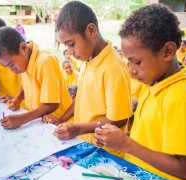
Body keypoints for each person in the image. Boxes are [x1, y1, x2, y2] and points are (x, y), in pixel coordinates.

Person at [95, 4, 186, 180]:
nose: (131, 70)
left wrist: (126, 144)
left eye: (137, 62)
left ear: (167, 52)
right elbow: (154, 136)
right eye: (128, 61)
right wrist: (122, 136)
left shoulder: (181, 96)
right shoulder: (154, 84)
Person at [46, 1, 132, 157]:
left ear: (91, 30)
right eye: (66, 46)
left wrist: (78, 128)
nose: (70, 52)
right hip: (84, 141)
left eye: (71, 44)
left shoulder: (113, 67)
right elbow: (82, 97)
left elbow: (118, 119)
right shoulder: (87, 59)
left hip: (104, 152)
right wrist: (61, 119)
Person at [0, 27, 71, 129]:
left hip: (56, 124)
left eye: (11, 64)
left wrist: (21, 119)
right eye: (8, 66)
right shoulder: (23, 62)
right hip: (38, 121)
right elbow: (26, 84)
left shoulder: (46, 62)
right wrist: (18, 98)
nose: (12, 70)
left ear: (23, 48)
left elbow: (52, 104)